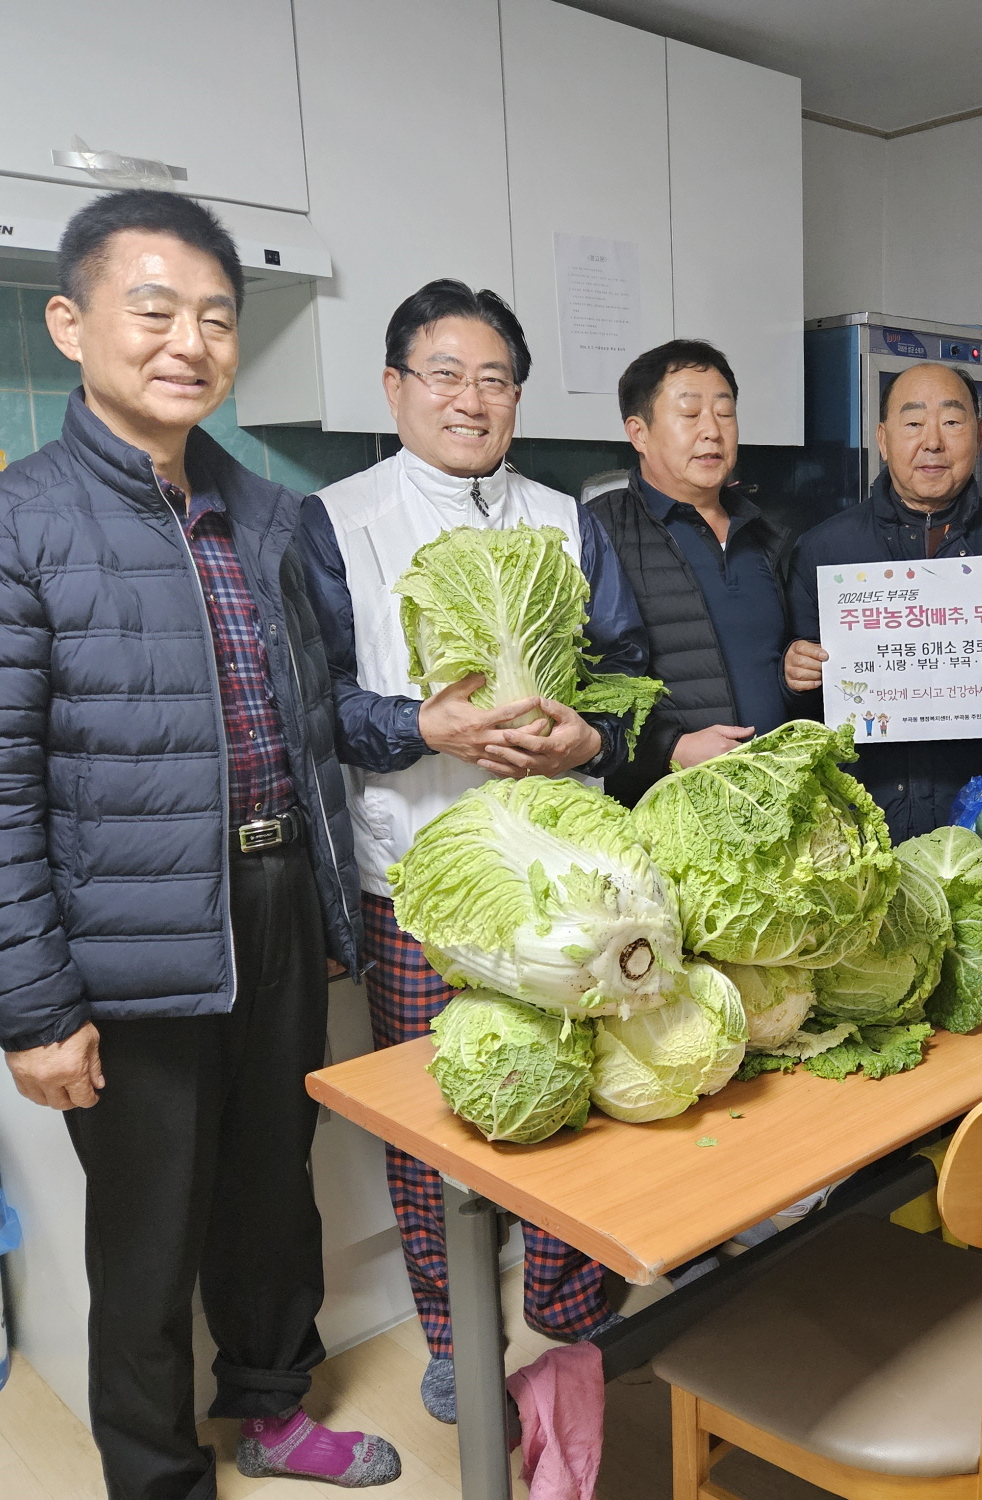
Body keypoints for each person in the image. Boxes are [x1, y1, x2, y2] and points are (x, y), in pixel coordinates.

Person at [0, 191, 399, 1495]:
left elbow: (313, 717)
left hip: (275, 901)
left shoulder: (270, 517)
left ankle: (274, 1410)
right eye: (154, 309)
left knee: (272, 1190)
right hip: (125, 940)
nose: (189, 342)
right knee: (147, 1236)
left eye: (216, 318)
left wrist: (340, 867)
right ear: (72, 325)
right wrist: (33, 1010)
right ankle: (157, 1475)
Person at [300, 283, 652, 1420]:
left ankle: (568, 1301)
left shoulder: (566, 518)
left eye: (494, 378)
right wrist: (425, 726)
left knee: (578, 1090)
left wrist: (589, 735)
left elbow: (629, 679)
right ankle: (455, 1335)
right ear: (394, 387)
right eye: (443, 374)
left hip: (561, 874)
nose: (470, 398)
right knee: (436, 1119)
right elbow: (317, 704)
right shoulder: (335, 521)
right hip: (418, 878)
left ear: (517, 398)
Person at [782, 361, 982, 840]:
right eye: (913, 423)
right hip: (867, 823)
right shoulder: (825, 549)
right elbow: (795, 710)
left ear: (980, 434)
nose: (932, 442)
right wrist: (793, 675)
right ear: (883, 439)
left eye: (951, 421)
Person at [584, 339, 790, 806]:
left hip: (773, 798)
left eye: (724, 413)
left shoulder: (764, 532)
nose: (712, 431)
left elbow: (769, 662)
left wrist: (795, 671)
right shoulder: (598, 531)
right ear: (639, 433)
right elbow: (577, 686)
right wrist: (670, 749)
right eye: (690, 414)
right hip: (665, 808)